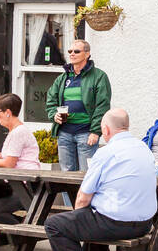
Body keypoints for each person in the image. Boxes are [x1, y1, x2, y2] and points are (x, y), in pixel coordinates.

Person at [44, 109, 157, 251]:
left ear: (105, 129)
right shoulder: (143, 148)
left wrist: (77, 217)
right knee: (94, 213)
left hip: (115, 223)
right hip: (145, 223)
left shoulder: (106, 153)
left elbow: (83, 197)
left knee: (55, 224)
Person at [45, 39, 112, 172]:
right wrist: (54, 115)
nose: (72, 54)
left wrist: (95, 131)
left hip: (86, 133)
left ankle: (83, 194)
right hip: (64, 133)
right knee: (66, 174)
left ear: (87, 54)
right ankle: (69, 195)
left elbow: (102, 106)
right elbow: (51, 100)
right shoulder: (62, 78)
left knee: (87, 173)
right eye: (70, 51)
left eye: (76, 51)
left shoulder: (99, 76)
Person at [0, 93, 39, 226]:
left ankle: (25, 234)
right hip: (17, 183)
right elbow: (12, 157)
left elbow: (8, 164)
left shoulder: (18, 132)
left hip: (25, 186)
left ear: (7, 112)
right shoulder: (15, 131)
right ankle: (23, 231)